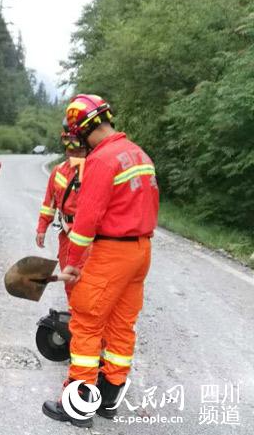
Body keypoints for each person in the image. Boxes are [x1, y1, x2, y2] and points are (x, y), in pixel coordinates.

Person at [42, 94, 159, 427]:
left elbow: (86, 221)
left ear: (80, 130)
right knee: (121, 324)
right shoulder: (139, 154)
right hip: (140, 250)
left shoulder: (102, 159)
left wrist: (73, 263)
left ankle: (77, 405)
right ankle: (109, 395)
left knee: (87, 322)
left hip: (111, 253)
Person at [36, 119, 87, 299]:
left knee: (83, 284)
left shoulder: (95, 169)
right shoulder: (58, 171)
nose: (70, 149)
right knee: (69, 282)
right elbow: (49, 203)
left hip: (88, 238)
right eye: (67, 143)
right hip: (66, 235)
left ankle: (83, 322)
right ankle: (76, 319)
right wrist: (42, 228)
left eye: (76, 144)